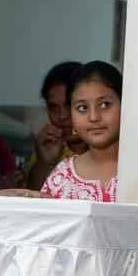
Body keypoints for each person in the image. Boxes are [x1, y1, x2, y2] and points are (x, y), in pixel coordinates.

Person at [38, 61, 123, 202]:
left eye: (104, 105)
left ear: (124, 104)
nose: (94, 117)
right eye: (82, 108)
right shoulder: (62, 177)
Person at [20, 61, 88, 190]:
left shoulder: (111, 152)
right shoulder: (48, 148)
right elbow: (34, 197)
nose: (62, 116)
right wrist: (44, 163)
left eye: (69, 105)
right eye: (54, 108)